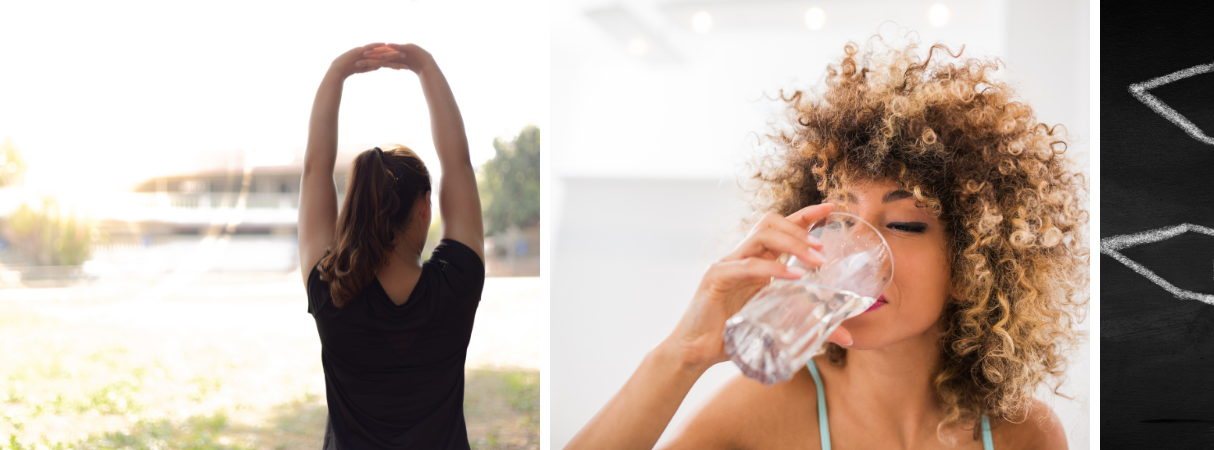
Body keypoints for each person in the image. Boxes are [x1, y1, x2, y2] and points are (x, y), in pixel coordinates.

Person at [567, 36, 1087, 449]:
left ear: (973, 264)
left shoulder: (1025, 434)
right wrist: (680, 357)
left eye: (904, 224)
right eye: (838, 221)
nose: (857, 249)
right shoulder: (763, 413)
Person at [297, 42, 486, 449]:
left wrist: (336, 72)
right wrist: (425, 65)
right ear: (424, 208)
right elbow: (458, 162)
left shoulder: (331, 293)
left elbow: (314, 169)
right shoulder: (457, 284)